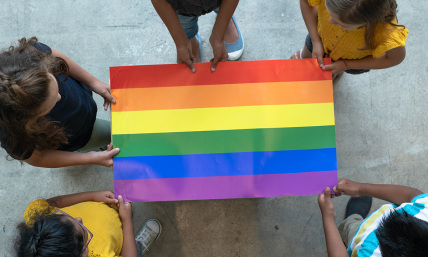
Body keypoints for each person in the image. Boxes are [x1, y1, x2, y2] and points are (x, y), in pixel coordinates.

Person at [0, 37, 119, 168]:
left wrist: (93, 82)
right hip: (79, 136)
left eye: (54, 82)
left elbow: (56, 57)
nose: (59, 96)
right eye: (50, 105)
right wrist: (90, 157)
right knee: (105, 136)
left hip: (83, 110)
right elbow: (39, 158)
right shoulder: (13, 137)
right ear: (29, 120)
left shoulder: (28, 57)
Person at [15, 190, 162, 257]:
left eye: (68, 217)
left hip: (109, 213)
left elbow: (55, 203)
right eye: (84, 232)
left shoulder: (36, 216)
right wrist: (127, 221)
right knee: (132, 248)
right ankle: (138, 245)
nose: (79, 219)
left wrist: (92, 196)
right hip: (120, 242)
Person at [294, 0, 408, 78]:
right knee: (307, 54)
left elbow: (395, 58)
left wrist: (346, 65)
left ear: (367, 22)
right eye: (329, 14)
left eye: (341, 24)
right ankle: (305, 59)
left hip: (353, 61)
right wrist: (315, 41)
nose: (330, 22)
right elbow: (305, 2)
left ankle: (332, 74)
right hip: (319, 38)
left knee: (328, 72)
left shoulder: (386, 32)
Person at [318, 178, 428, 256]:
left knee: (352, 228)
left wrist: (328, 217)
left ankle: (351, 220)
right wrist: (359, 188)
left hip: (359, 240)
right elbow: (412, 195)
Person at [151, 0, 244, 72]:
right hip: (183, 6)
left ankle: (226, 21)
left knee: (223, 9)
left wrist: (218, 36)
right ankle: (190, 38)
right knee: (185, 24)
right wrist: (181, 42)